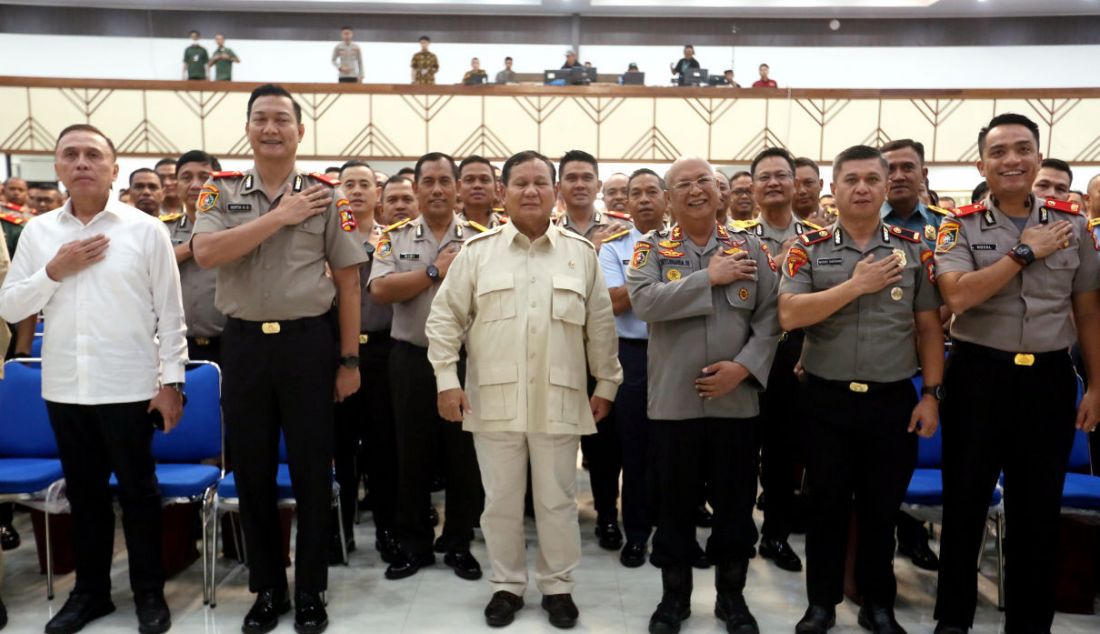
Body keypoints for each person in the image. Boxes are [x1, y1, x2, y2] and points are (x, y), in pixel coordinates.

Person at [190, 84, 367, 634]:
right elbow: (205, 252)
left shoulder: (327, 194)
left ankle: (311, 589)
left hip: (308, 346)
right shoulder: (217, 193)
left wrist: (348, 360)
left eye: (282, 120)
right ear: (248, 128)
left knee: (315, 472)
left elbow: (348, 280)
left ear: (299, 131)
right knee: (253, 471)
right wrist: (280, 217)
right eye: (261, 119)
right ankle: (268, 588)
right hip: (241, 345)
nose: (271, 128)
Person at [0, 123, 186, 634]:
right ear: (58, 168)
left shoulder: (146, 231)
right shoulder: (39, 234)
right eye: (70, 155)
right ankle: (91, 594)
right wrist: (54, 270)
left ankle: (149, 593)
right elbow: (11, 304)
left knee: (139, 494)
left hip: (129, 385)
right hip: (65, 386)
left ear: (113, 167)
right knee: (83, 496)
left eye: (92, 155)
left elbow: (170, 316)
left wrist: (172, 383)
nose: (81, 163)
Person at [426, 149, 621, 629]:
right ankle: (507, 586)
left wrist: (607, 384)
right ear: (502, 192)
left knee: (557, 501)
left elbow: (600, 327)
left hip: (562, 396)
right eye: (520, 184)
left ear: (554, 192)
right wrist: (447, 382)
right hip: (492, 399)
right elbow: (444, 321)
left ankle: (558, 588)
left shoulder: (581, 255)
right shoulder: (477, 253)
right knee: (500, 503)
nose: (530, 191)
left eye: (540, 182)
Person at [933, 113, 1100, 634]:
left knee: (1037, 513)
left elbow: (1089, 310)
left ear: (1037, 156)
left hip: (1048, 381)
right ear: (981, 162)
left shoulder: (1073, 226)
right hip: (977, 377)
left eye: (1023, 149)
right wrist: (1026, 252)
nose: (1012, 160)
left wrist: (1096, 384)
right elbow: (958, 295)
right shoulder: (955, 225)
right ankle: (953, 621)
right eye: (999, 151)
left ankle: (1029, 625)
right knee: (964, 504)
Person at [778, 144, 943, 634]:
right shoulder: (805, 248)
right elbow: (790, 314)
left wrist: (931, 394)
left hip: (892, 402)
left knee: (881, 512)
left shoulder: (913, 248)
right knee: (825, 508)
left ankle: (878, 605)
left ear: (886, 184)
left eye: (873, 178)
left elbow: (929, 328)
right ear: (834, 187)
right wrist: (856, 284)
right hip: (826, 399)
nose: (863, 187)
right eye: (852, 179)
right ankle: (821, 605)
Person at [628, 156, 779, 634]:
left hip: (736, 403)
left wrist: (744, 368)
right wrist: (707, 279)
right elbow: (644, 302)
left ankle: (731, 599)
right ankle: (674, 600)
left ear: (719, 193)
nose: (694, 191)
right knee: (674, 504)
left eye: (702, 182)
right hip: (673, 403)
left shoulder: (751, 248)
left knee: (735, 507)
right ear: (668, 199)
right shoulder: (651, 248)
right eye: (682, 185)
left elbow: (772, 317)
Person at [368, 152, 484, 583]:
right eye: (428, 181)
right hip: (411, 359)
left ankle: (457, 542)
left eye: (444, 181)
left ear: (456, 188)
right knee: (409, 453)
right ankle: (413, 542)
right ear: (414, 188)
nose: (436, 189)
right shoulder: (392, 237)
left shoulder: (481, 237)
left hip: (467, 360)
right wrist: (436, 269)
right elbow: (380, 289)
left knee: (463, 455)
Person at [738, 148, 819, 576]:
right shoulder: (735, 238)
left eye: (782, 176)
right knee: (740, 450)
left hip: (797, 356)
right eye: (764, 176)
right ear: (751, 187)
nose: (774, 183)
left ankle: (776, 535)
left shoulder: (818, 238)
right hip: (747, 355)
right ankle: (738, 536)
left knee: (786, 453)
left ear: (796, 183)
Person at [328, 160, 402, 563]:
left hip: (381, 351)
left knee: (382, 447)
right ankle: (338, 533)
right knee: (339, 447)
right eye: (349, 184)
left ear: (378, 192)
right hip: (335, 350)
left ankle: (388, 531)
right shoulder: (323, 237)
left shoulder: (392, 239)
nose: (356, 191)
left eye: (365, 185)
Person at [555, 150, 628, 549]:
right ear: (560, 187)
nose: (579, 184)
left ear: (598, 186)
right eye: (571, 177)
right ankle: (555, 514)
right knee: (556, 439)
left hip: (604, 349)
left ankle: (606, 514)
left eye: (587, 177)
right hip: (558, 350)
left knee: (604, 442)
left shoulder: (624, 230)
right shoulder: (543, 230)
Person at [598, 168, 667, 568]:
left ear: (666, 198)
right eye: (634, 193)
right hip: (633, 355)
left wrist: (642, 289)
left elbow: (694, 302)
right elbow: (615, 303)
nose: (642, 199)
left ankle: (673, 530)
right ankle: (637, 533)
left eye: (650, 192)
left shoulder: (685, 243)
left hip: (677, 354)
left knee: (675, 447)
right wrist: (665, 286)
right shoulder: (613, 247)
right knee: (635, 449)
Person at [165, 150, 225, 366]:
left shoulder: (235, 227)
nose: (195, 184)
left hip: (229, 343)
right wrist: (196, 245)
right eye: (186, 177)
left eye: (204, 177)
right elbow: (150, 267)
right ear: (176, 184)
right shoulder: (163, 229)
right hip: (176, 344)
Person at [881, 139, 950, 249]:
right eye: (890, 169)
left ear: (923, 174)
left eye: (908, 167)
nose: (899, 177)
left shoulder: (944, 222)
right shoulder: (864, 223)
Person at [457, 156, 504, 230]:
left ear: (495, 187)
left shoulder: (508, 228)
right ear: (458, 187)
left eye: (484, 180)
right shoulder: (447, 229)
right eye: (469, 180)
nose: (477, 185)